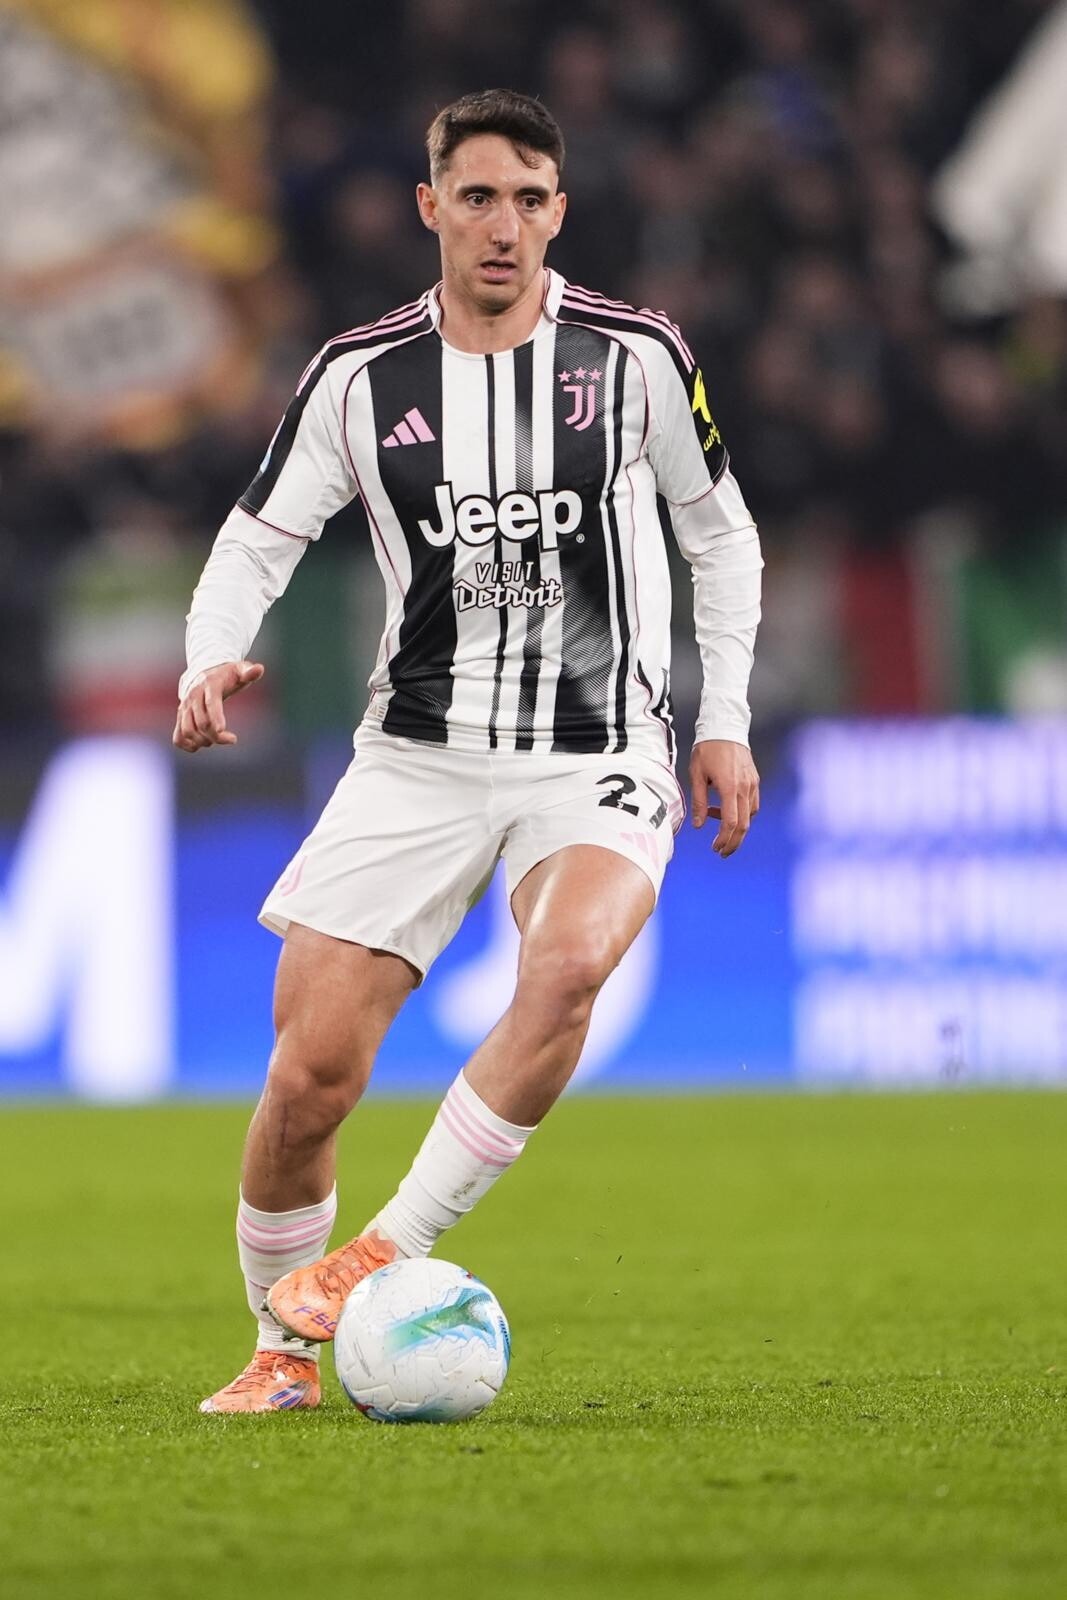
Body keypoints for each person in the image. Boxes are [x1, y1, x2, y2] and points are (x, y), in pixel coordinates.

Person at [175, 89, 763, 1414]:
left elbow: (720, 536)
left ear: (561, 212)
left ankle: (389, 1248)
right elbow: (260, 536)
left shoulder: (636, 357)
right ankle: (278, 1355)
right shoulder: (359, 376)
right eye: (481, 197)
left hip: (597, 747)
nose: (505, 226)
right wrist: (210, 654)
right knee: (309, 1078)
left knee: (568, 967)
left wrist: (721, 714)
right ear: (430, 206)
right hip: (418, 756)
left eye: (531, 200)